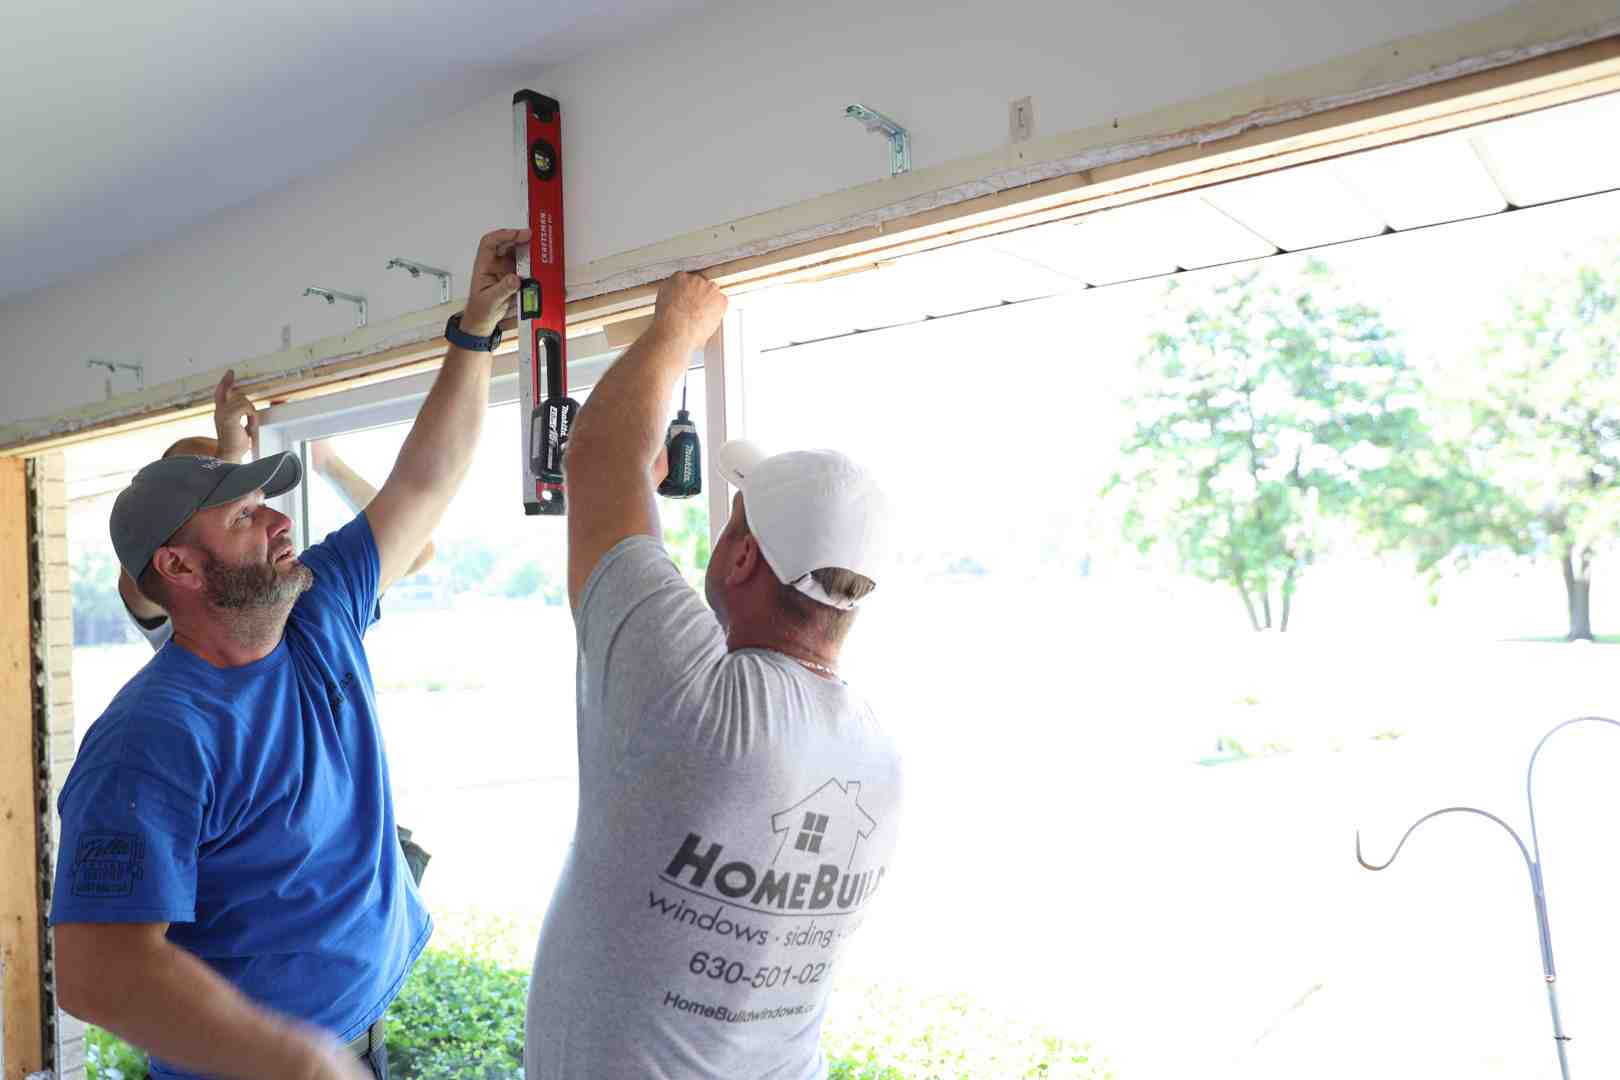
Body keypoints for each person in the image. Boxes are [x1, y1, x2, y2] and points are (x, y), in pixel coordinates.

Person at [50, 227, 528, 1080]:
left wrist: (474, 331)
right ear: (179, 567)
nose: (279, 522)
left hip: (358, 1041)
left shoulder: (320, 609)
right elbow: (96, 974)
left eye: (269, 503)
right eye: (245, 515)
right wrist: (295, 1061)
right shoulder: (150, 740)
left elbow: (424, 482)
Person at [524, 272, 904, 1079]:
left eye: (732, 522)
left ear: (740, 557)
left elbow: (596, 456)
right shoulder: (878, 756)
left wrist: (681, 322)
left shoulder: (698, 706)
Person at [120, 371, 437, 650]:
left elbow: (417, 547)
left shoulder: (290, 591)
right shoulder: (169, 595)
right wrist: (229, 454)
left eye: (248, 501)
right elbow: (139, 587)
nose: (280, 521)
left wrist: (328, 465)